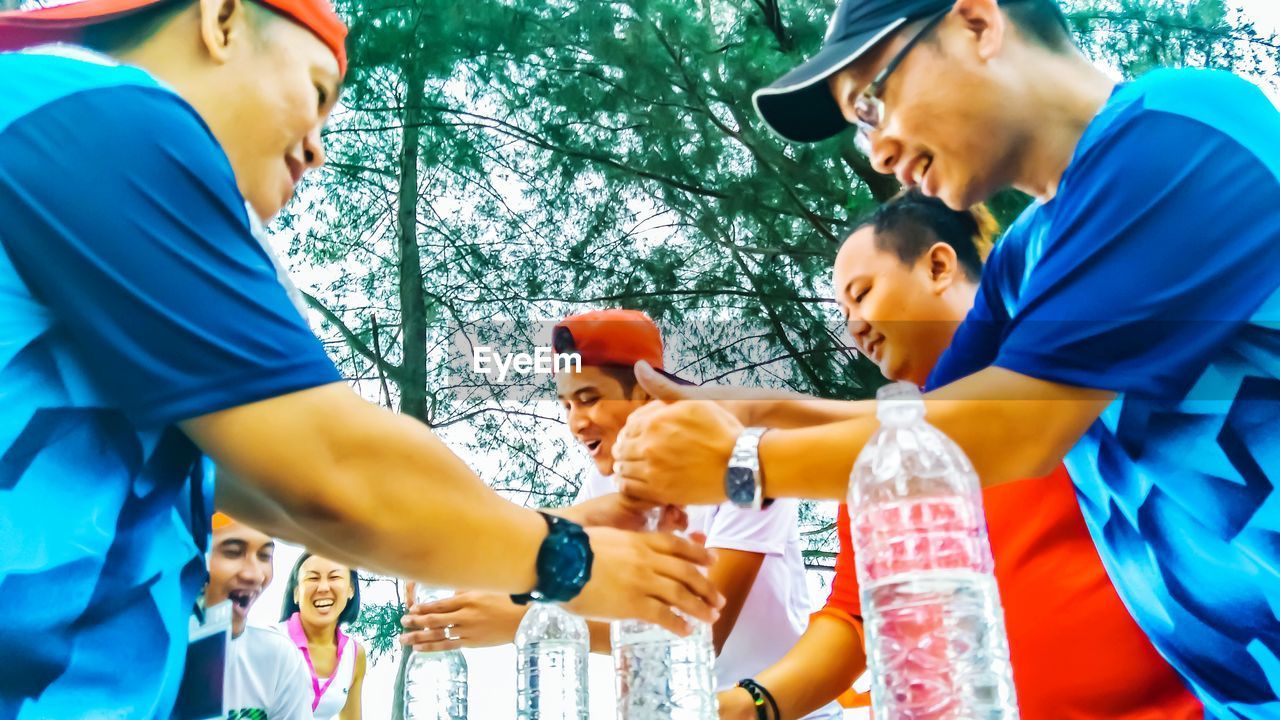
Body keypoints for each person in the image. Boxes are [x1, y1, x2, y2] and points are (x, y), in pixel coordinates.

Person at [0, 1, 720, 715]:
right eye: (316, 93)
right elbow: (334, 473)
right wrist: (572, 561)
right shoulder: (100, 115)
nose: (317, 149)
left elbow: (284, 496)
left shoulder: (82, 156)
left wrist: (556, 524)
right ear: (221, 19)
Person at [612, 0, 1280, 716]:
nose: (874, 151)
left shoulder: (1175, 129)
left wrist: (743, 462)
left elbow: (1013, 428)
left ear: (977, 23)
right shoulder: (1025, 259)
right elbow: (922, 422)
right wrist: (754, 409)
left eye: (873, 100)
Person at [719, 192, 1201, 719]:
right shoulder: (880, 454)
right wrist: (750, 705)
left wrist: (749, 455)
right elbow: (855, 620)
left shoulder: (1070, 372)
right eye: (843, 311)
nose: (853, 327)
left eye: (862, 294)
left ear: (939, 266)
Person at [401, 309, 839, 718]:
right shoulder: (605, 483)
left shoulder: (740, 457)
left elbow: (702, 630)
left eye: (589, 398)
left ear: (647, 391)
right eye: (567, 404)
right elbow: (555, 555)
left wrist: (521, 622)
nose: (575, 423)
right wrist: (459, 573)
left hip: (787, 709)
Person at [206, 512, 314, 720]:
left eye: (264, 556)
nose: (255, 575)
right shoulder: (134, 652)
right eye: (233, 552)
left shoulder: (278, 658)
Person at [279, 553, 365, 720]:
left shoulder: (355, 654)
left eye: (334, 577)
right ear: (296, 593)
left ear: (351, 590)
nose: (324, 587)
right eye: (312, 578)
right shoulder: (273, 642)